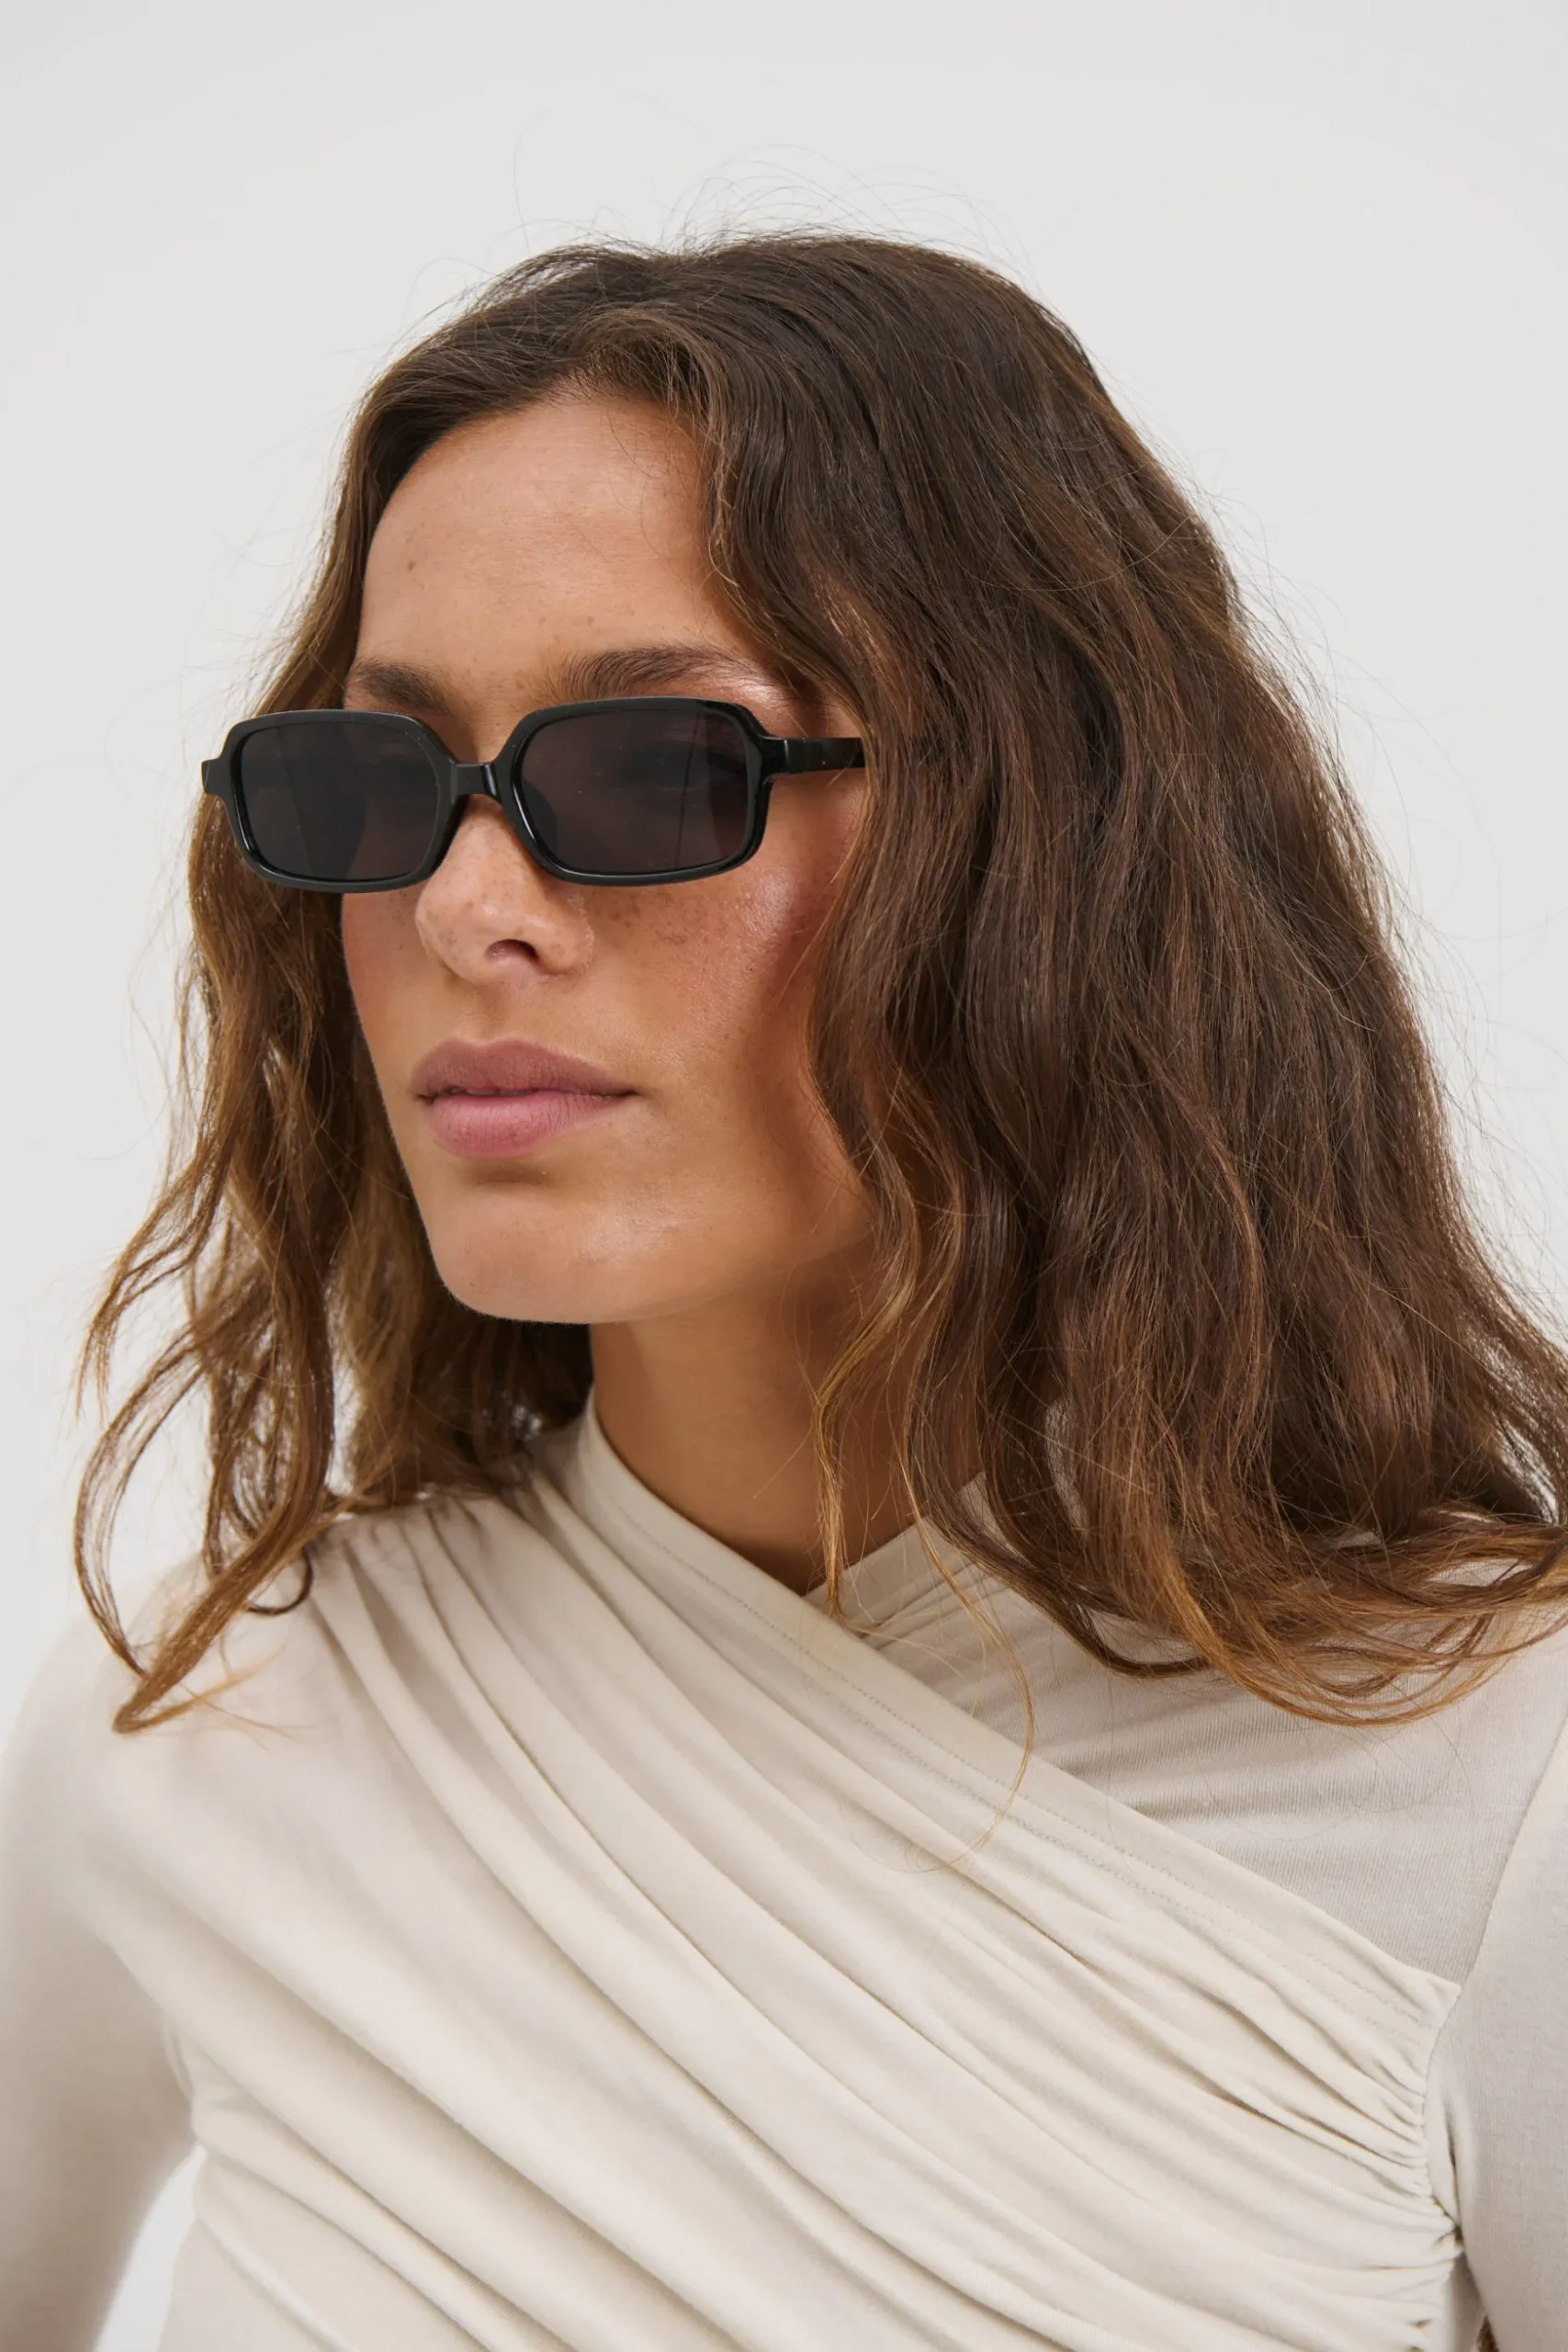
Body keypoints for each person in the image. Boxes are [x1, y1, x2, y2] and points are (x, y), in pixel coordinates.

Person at [1, 234, 1562, 2352]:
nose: (464, 907)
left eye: (654, 769)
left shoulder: (1500, 1776)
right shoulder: (202, 1733)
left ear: (1051, 842)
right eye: (381, 785)